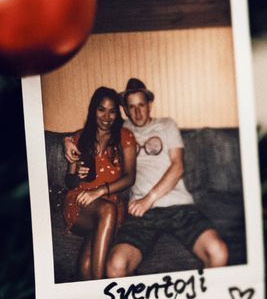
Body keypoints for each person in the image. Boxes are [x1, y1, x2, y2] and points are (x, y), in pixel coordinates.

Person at [68, 77, 228, 277]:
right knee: (116, 265)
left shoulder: (166, 125)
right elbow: (92, 131)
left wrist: (149, 199)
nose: (137, 112)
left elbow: (178, 166)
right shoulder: (121, 131)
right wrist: (68, 142)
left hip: (178, 206)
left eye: (141, 105)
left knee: (218, 252)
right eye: (131, 107)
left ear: (150, 104)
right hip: (141, 214)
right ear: (125, 110)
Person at [62, 86, 136, 280]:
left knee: (85, 269)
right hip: (80, 204)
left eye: (112, 111)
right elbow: (70, 182)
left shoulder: (125, 137)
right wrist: (75, 171)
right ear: (93, 110)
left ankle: (93, 288)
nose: (106, 116)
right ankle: (103, 289)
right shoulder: (79, 138)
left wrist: (99, 192)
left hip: (110, 207)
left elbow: (130, 177)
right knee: (107, 210)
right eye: (101, 109)